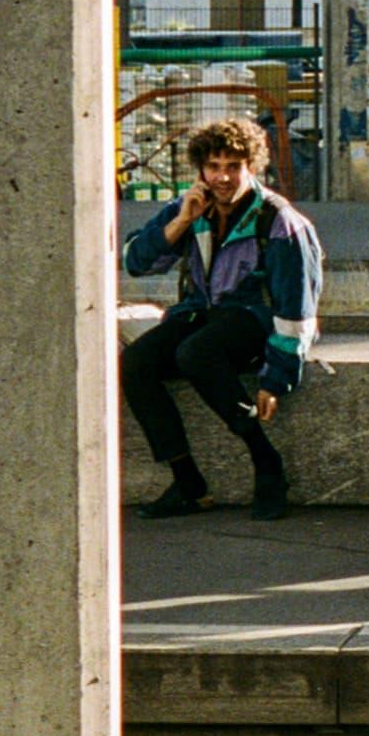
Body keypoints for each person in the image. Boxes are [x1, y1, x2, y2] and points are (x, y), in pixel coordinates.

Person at [121, 116, 325, 521]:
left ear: (253, 167)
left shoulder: (280, 221)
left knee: (196, 352)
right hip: (204, 313)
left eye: (234, 167)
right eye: (214, 167)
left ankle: (267, 465)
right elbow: (136, 262)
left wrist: (276, 377)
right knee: (136, 362)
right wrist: (181, 220)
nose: (223, 177)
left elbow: (297, 308)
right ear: (201, 169)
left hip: (256, 320)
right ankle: (188, 484)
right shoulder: (190, 207)